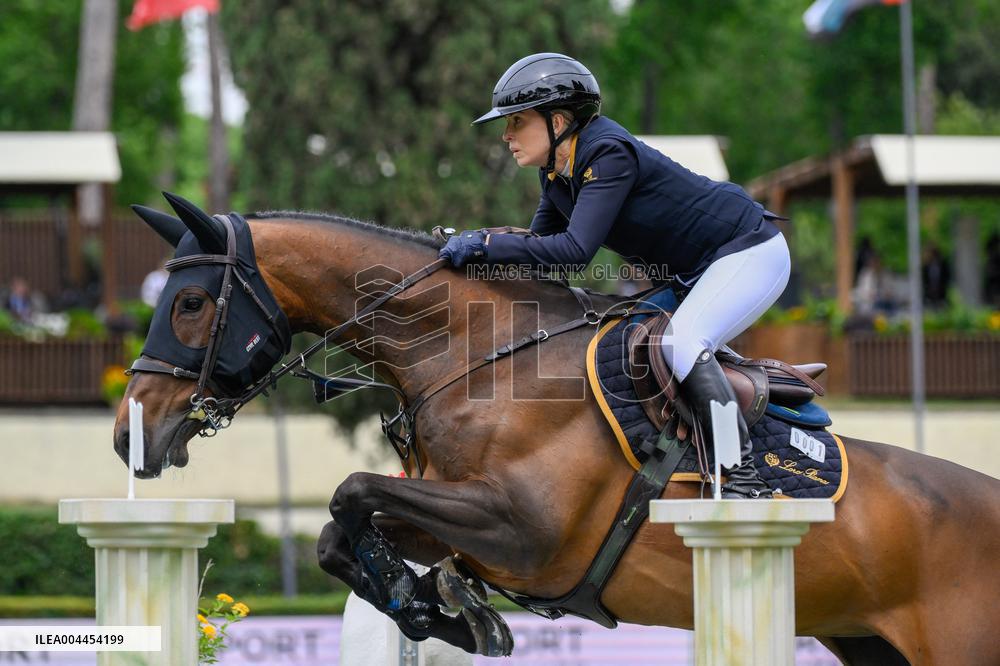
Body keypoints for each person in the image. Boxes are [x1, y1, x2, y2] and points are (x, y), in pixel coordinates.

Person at [439, 53, 791, 499]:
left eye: (517, 122)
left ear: (559, 120)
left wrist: (486, 244)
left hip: (749, 251)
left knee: (682, 343)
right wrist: (477, 256)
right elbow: (544, 258)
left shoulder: (607, 153)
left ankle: (740, 476)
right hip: (699, 272)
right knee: (617, 341)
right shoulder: (555, 173)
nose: (506, 135)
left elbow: (573, 252)